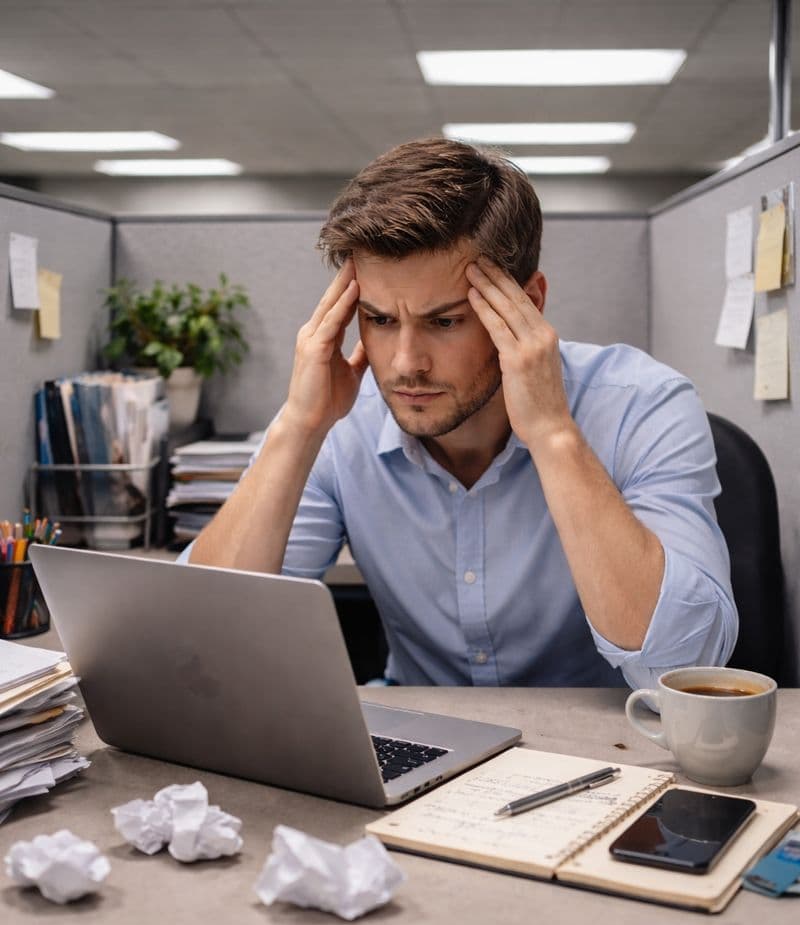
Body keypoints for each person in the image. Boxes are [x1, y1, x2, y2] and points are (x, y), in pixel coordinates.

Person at [187, 137, 737, 689]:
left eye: (445, 322)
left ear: (529, 304)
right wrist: (298, 427)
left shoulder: (641, 404)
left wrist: (552, 434)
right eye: (378, 320)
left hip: (604, 748)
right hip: (417, 739)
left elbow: (684, 665)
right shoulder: (341, 422)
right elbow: (201, 646)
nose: (405, 364)